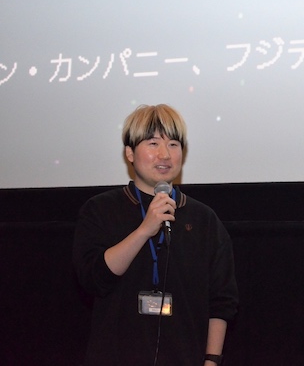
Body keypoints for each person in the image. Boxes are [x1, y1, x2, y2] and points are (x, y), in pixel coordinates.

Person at [73, 104, 238, 366]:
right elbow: (94, 279)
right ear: (130, 153)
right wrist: (144, 230)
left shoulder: (204, 219)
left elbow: (221, 300)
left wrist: (211, 360)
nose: (165, 154)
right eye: (153, 143)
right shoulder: (100, 210)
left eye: (173, 144)